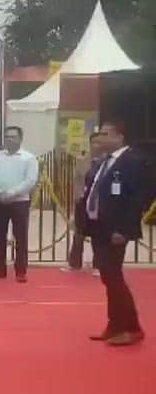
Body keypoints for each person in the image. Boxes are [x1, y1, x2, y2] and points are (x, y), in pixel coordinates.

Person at [77, 121, 149, 346]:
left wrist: (124, 229)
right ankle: (115, 324)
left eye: (105, 134)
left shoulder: (132, 161)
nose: (100, 138)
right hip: (98, 227)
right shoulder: (103, 161)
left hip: (116, 230)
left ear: (119, 137)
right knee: (108, 278)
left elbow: (137, 199)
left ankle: (132, 327)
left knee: (114, 277)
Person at [0, 126, 39, 283]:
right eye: (7, 136)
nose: (9, 139)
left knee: (20, 237)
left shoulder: (28, 158)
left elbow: (30, 180)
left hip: (20, 202)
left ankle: (21, 271)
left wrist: (11, 193)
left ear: (20, 139)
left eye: (13, 136)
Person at [66, 132, 105, 272]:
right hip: (82, 202)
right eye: (94, 142)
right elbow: (77, 180)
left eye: (99, 142)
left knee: (98, 235)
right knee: (79, 234)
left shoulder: (107, 160)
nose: (96, 145)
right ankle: (74, 263)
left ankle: (98, 265)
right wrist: (77, 197)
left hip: (99, 203)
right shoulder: (82, 160)